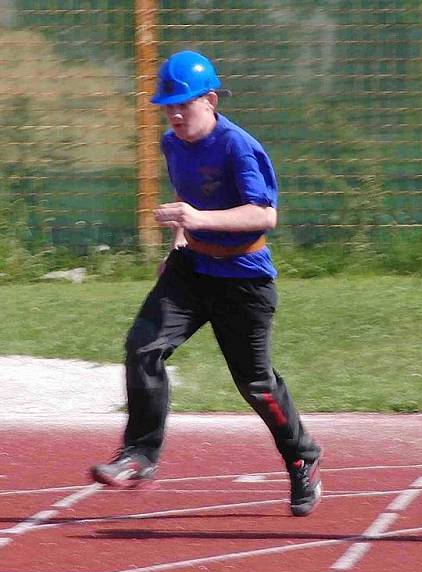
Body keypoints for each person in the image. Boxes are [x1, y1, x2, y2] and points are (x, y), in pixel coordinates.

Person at [89, 50, 323, 517]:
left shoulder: (239, 146)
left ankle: (302, 456)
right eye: (167, 106)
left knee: (255, 383)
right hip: (192, 268)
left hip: (243, 279)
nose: (174, 114)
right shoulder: (172, 143)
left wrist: (199, 219)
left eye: (184, 104)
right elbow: (187, 196)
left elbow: (265, 214)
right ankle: (139, 453)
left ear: (211, 100)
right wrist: (179, 238)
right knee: (143, 346)